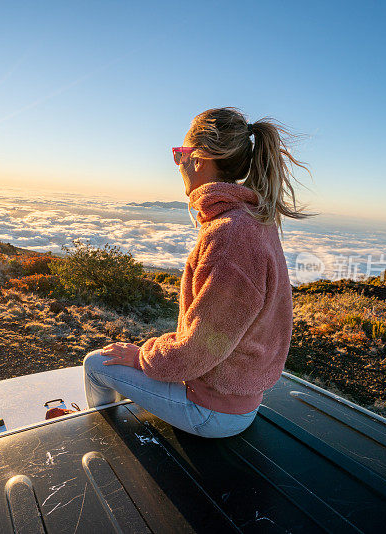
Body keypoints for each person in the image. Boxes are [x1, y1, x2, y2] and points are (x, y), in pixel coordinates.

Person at [83, 107, 315, 438]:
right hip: (235, 397)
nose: (178, 164)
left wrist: (141, 358)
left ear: (199, 159)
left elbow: (199, 348)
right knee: (130, 359)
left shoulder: (230, 235)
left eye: (179, 155)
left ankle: (103, 438)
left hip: (212, 412)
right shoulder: (253, 221)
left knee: (96, 365)